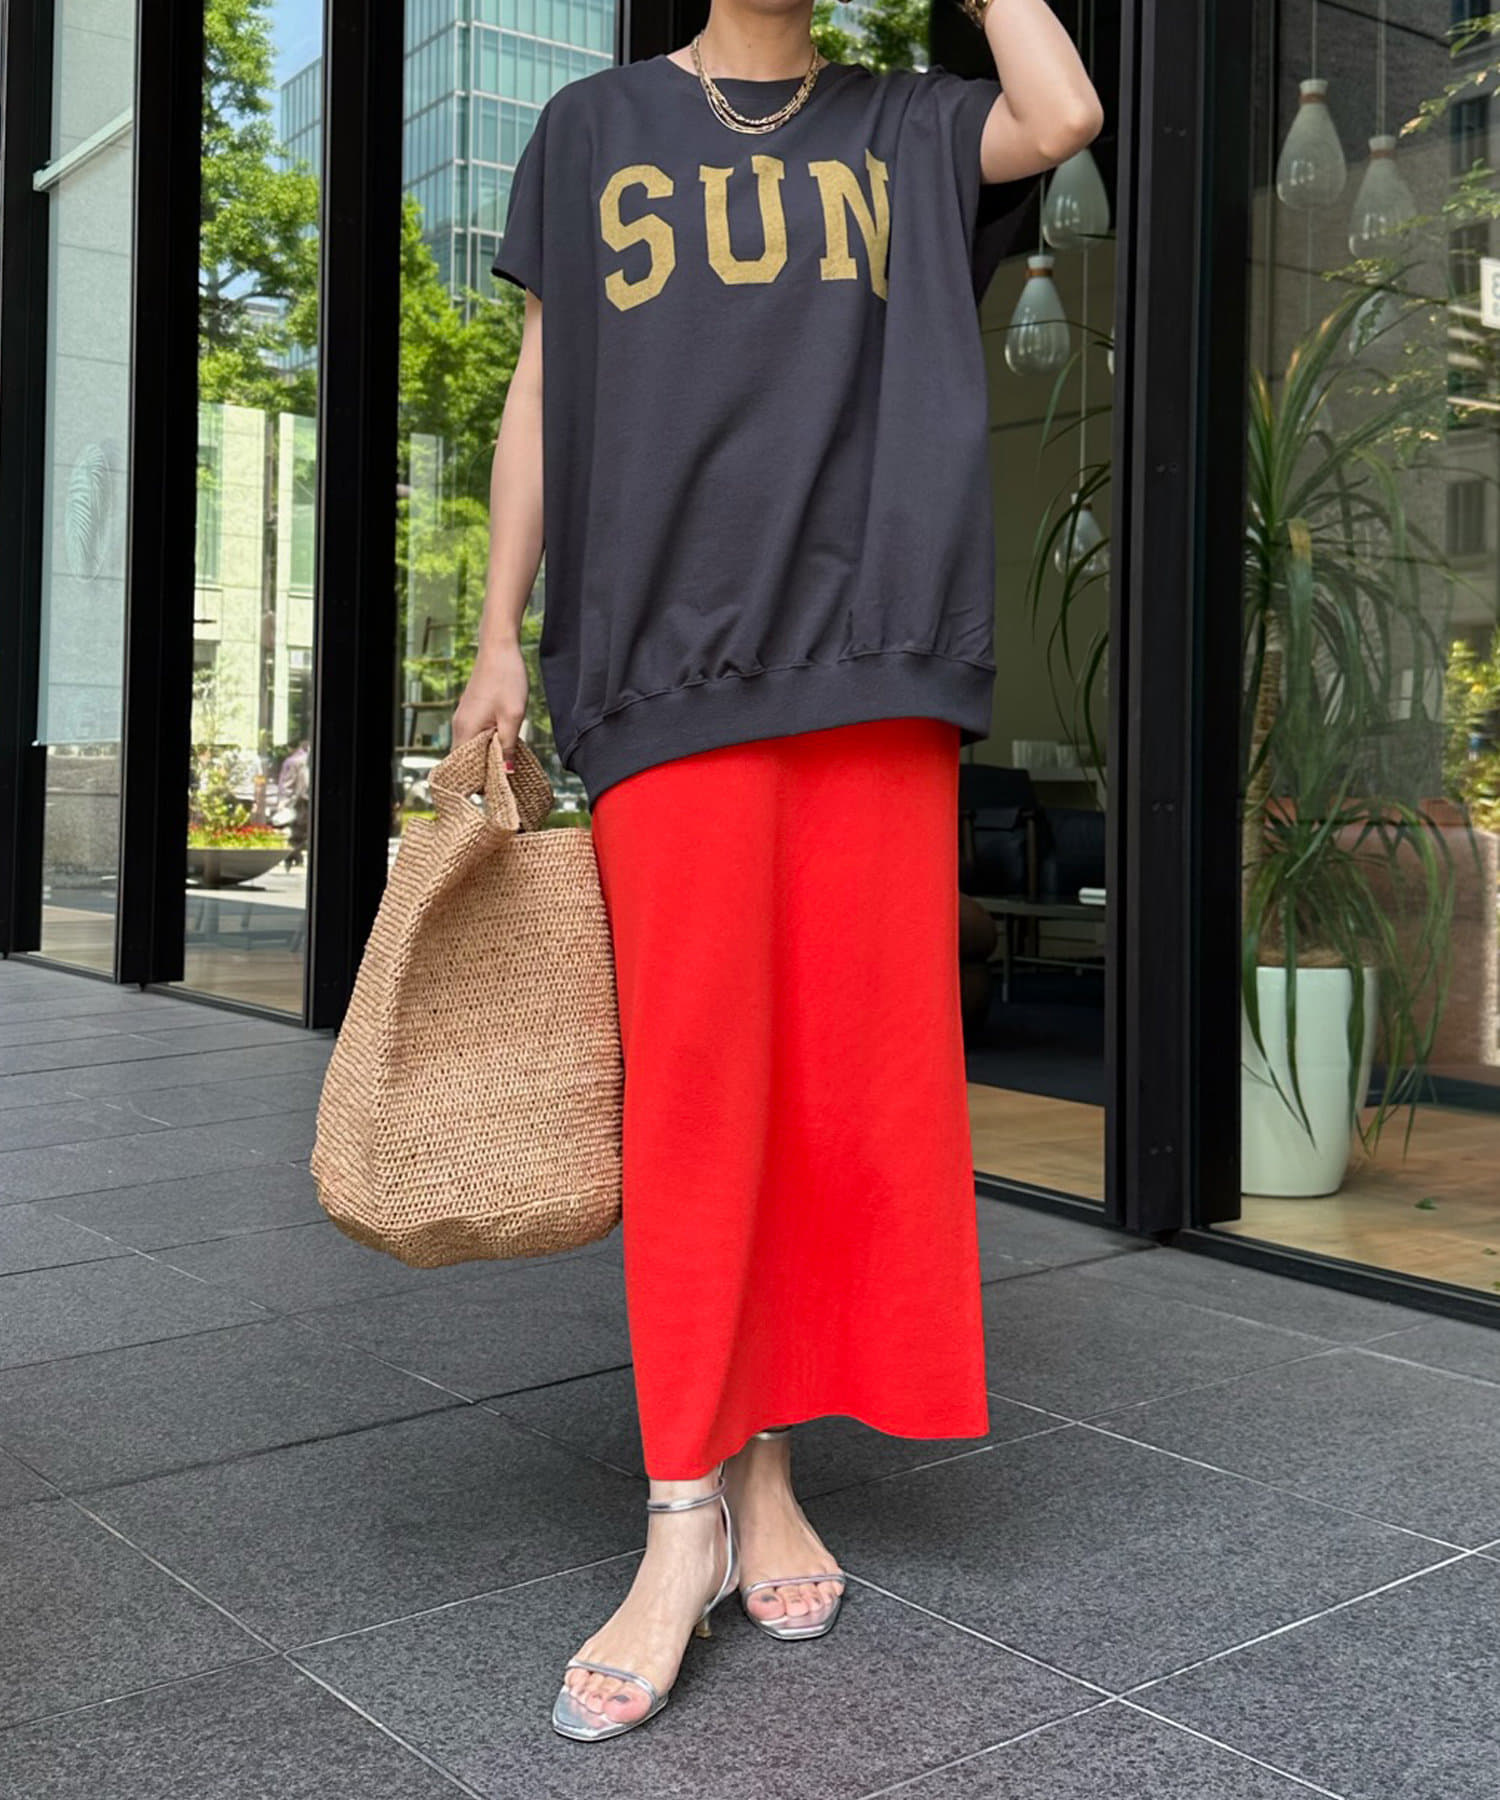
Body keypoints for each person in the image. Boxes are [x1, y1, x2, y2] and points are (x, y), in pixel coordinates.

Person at [450, 0, 1102, 1743]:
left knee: (832, 1091)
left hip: (875, 659)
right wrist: (498, 633)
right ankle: (683, 1510)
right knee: (694, 1093)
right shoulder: (594, 129)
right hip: (659, 664)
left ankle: (768, 1478)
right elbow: (543, 388)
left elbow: (1063, 111)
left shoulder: (909, 123)